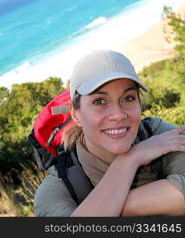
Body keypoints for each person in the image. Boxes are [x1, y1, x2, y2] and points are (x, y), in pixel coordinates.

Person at [34, 49, 185, 217]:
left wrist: (103, 209)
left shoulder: (156, 134)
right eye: (99, 101)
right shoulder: (59, 187)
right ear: (75, 113)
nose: (119, 115)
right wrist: (128, 161)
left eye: (128, 98)